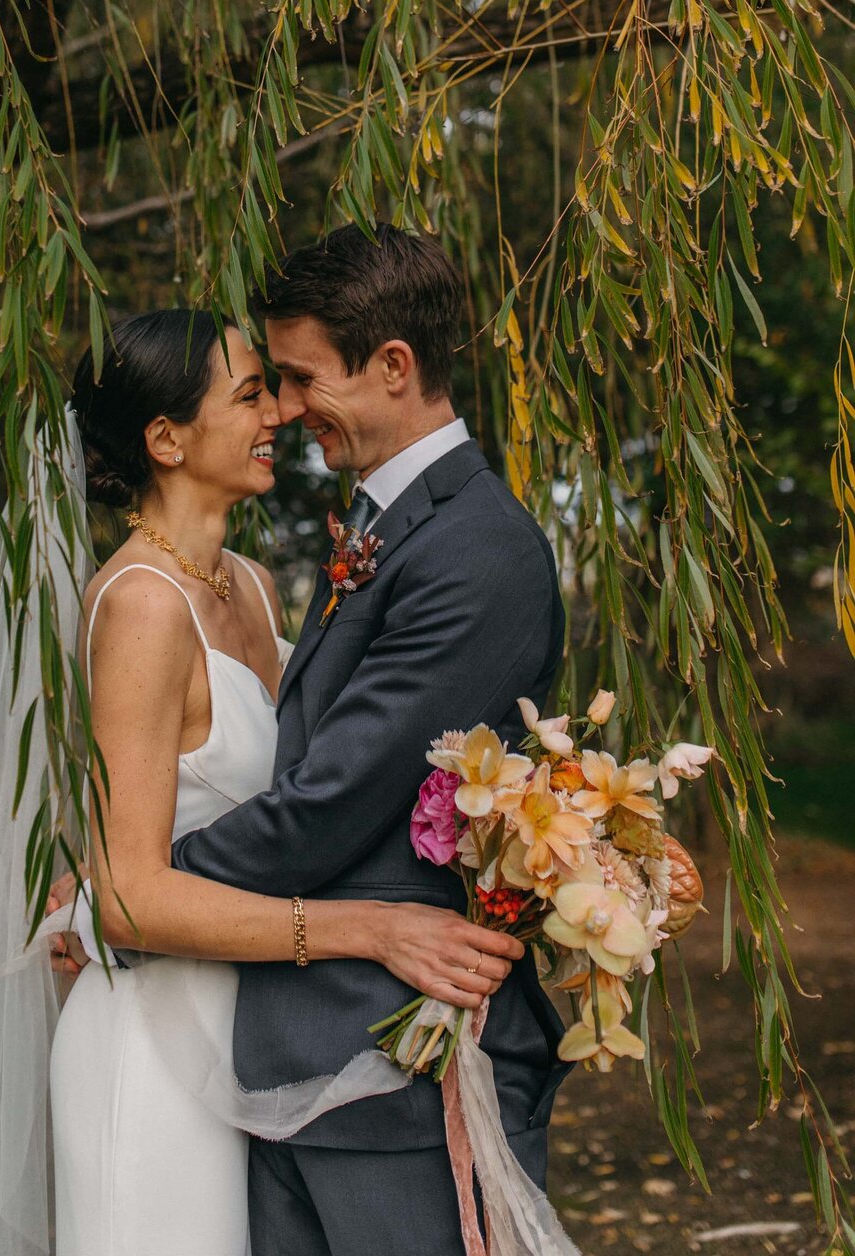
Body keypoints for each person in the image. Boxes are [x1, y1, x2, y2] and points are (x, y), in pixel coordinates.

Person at [0, 300, 525, 1256]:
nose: (279, 416)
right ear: (166, 438)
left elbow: (333, 774)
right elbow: (129, 903)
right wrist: (372, 929)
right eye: (251, 394)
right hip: (152, 1046)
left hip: (241, 1037)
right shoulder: (140, 607)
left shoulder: (243, 583)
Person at [167, 225, 572, 1256]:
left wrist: (135, 888)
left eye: (302, 379)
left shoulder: (477, 550)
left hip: (405, 1064)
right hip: (319, 1057)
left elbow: (331, 802)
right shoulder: (390, 527)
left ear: (394, 367)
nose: (288, 410)